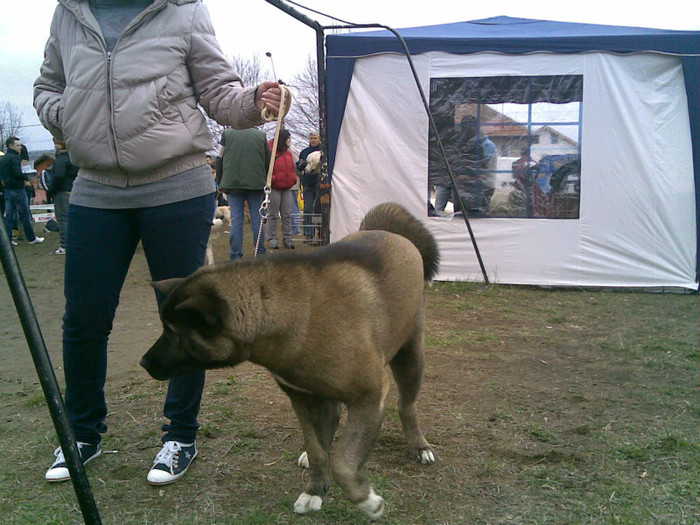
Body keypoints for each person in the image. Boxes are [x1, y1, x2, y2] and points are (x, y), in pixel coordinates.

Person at [33, 0, 283, 486]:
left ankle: (180, 435)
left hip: (176, 186)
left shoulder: (184, 11)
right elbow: (47, 86)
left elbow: (217, 91)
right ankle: (81, 433)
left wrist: (254, 102)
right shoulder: (68, 13)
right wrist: (69, 115)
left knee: (186, 314)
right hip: (94, 188)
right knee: (83, 319)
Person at [218, 127, 271, 259]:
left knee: (236, 221)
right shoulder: (261, 136)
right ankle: (260, 253)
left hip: (232, 183)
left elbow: (219, 158)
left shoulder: (227, 134)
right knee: (257, 219)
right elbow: (268, 161)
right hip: (256, 183)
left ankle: (236, 255)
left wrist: (220, 181)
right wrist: (265, 181)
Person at [0, 137, 45, 246]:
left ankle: (8, 239)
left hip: (8, 190)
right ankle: (31, 237)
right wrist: (28, 176)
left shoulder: (5, 158)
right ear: (11, 145)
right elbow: (17, 173)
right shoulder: (15, 158)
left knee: (9, 215)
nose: (20, 147)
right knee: (24, 215)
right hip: (18, 190)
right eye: (18, 145)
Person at [46, 139, 78, 255]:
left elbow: (58, 176)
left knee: (63, 218)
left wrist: (51, 191)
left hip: (62, 192)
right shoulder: (74, 157)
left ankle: (64, 245)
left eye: (56, 142)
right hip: (74, 190)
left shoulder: (61, 159)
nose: (54, 145)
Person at [267, 129, 297, 250]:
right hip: (274, 188)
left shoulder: (288, 153)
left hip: (287, 187)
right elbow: (266, 167)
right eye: (287, 138)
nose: (289, 140)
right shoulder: (270, 152)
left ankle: (287, 238)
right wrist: (273, 179)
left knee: (287, 214)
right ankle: (272, 239)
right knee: (273, 214)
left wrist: (292, 178)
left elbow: (291, 168)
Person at [296, 131, 322, 240]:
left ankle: (320, 232)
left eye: (315, 138)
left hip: (319, 184)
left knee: (318, 210)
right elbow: (298, 166)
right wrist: (300, 165)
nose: (313, 140)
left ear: (319, 139)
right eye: (311, 138)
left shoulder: (323, 152)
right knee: (307, 209)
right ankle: (308, 234)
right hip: (307, 184)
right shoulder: (304, 152)